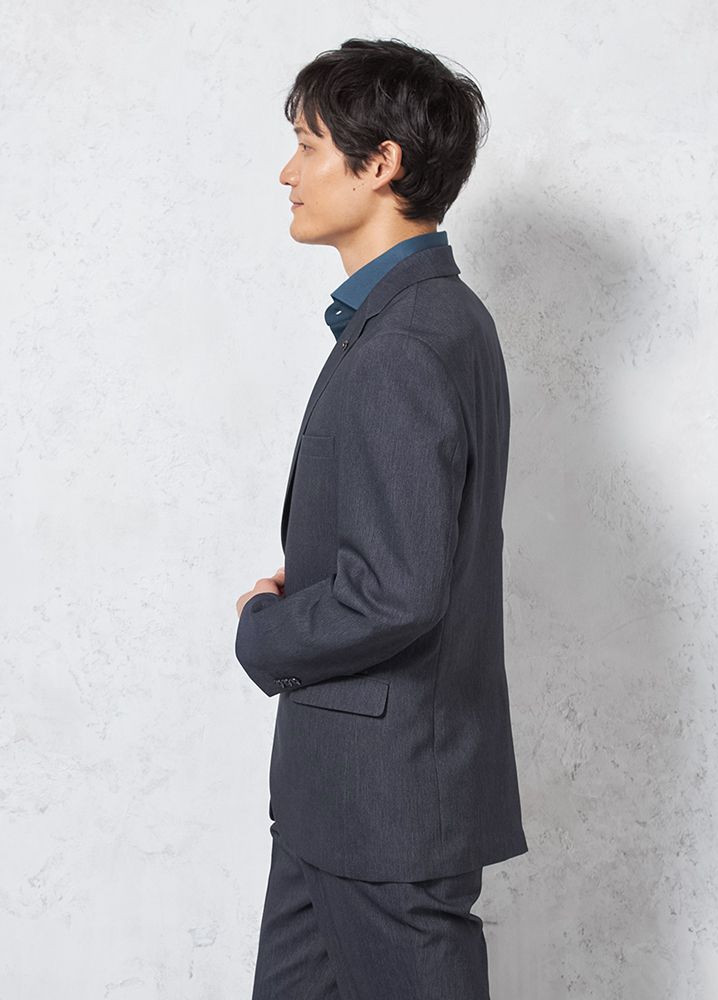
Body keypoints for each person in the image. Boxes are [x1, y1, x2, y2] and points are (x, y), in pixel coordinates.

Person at [235, 36, 528, 1000]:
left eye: (308, 147)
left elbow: (396, 592)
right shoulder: (422, 319)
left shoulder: (408, 338)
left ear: (381, 163)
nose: (288, 173)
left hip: (385, 812)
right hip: (341, 805)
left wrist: (266, 627)